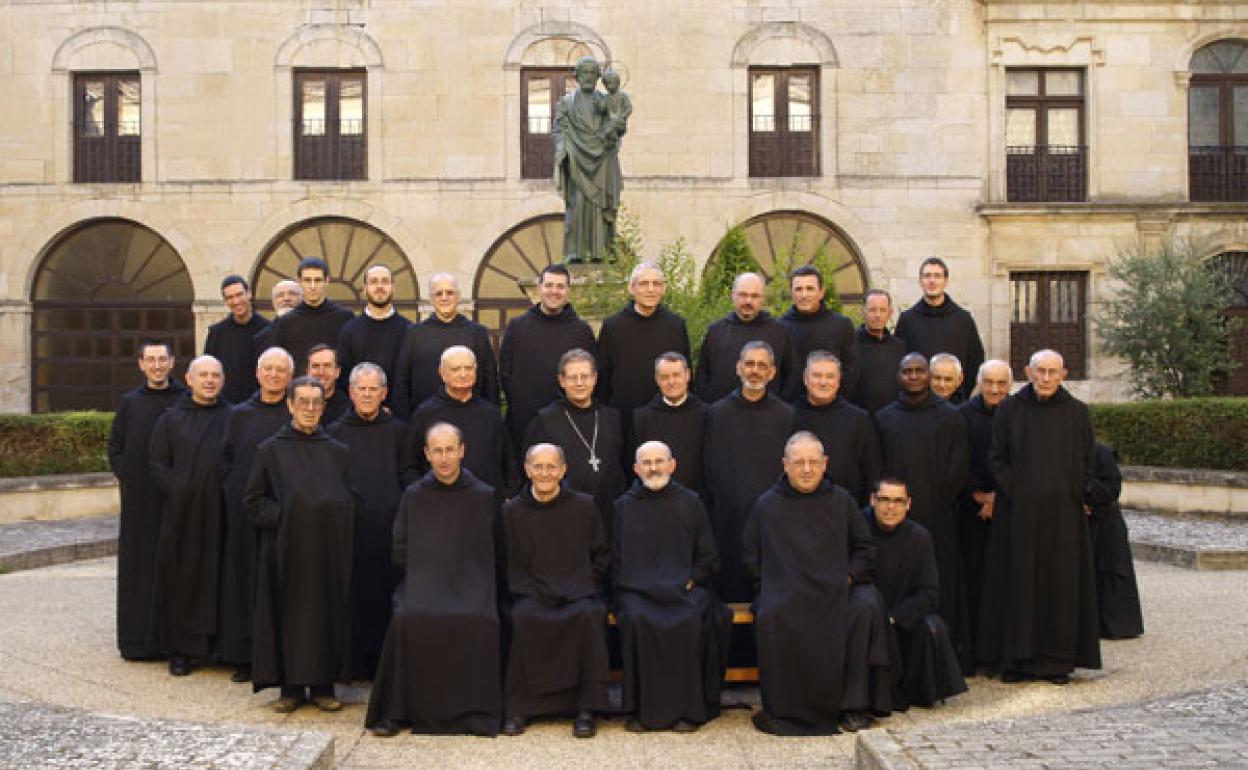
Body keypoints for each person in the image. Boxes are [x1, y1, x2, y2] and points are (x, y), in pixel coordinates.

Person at [366, 423, 503, 737]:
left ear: (462, 451)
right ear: (426, 454)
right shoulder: (414, 495)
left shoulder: (483, 495)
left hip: (470, 585)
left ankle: (473, 712)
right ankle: (398, 711)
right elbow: (400, 546)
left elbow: (489, 550)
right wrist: (427, 576)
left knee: (481, 619)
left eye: (450, 449)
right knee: (406, 618)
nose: (444, 457)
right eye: (437, 450)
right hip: (423, 583)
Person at [743, 432, 880, 736]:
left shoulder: (842, 501)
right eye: (799, 462)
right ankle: (782, 710)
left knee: (858, 612)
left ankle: (842, 706)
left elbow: (864, 548)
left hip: (832, 589)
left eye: (813, 462)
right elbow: (751, 554)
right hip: (783, 591)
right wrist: (772, 584)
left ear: (824, 464)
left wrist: (848, 577)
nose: (806, 469)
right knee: (771, 616)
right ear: (785, 465)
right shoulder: (766, 504)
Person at [978, 350, 1101, 684]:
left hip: (1063, 519)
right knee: (1018, 584)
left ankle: (1056, 661)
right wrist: (1017, 493)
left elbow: (1088, 461)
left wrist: (1071, 492)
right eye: (1040, 371)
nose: (1045, 378)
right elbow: (997, 459)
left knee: (1059, 586)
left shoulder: (1076, 413)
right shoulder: (1009, 410)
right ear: (1028, 372)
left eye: (1052, 372)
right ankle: (1017, 660)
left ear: (1063, 374)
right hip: (1017, 516)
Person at [246, 376, 356, 713]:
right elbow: (253, 501)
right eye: (303, 402)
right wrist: (285, 518)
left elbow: (352, 497)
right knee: (287, 616)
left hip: (326, 552)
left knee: (325, 615)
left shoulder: (338, 452)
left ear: (324, 407)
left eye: (316, 402)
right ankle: (290, 688)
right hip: (286, 551)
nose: (310, 408)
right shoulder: (270, 450)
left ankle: (323, 686)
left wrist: (336, 513)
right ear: (290, 405)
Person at [613, 441, 731, 733]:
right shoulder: (624, 506)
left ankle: (689, 711)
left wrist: (694, 578)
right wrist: (637, 585)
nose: (654, 468)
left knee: (690, 618)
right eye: (647, 463)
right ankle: (643, 712)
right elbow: (616, 557)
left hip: (685, 587)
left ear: (672, 465)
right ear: (636, 469)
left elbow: (708, 555)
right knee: (638, 619)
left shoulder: (691, 502)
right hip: (638, 590)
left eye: (659, 461)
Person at [501, 443, 611, 738]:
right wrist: (535, 590)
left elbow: (600, 555)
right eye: (538, 467)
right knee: (523, 617)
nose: (545, 473)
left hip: (577, 592)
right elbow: (508, 561)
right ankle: (521, 707)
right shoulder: (512, 512)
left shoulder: (584, 505)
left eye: (552, 467)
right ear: (527, 470)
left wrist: (578, 587)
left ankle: (586, 709)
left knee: (589, 615)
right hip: (532, 593)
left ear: (563, 470)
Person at [874, 353, 970, 669]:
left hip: (937, 518)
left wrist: (931, 503)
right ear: (898, 376)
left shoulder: (950, 417)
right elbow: (879, 468)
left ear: (927, 376)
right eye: (907, 371)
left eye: (919, 371)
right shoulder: (885, 418)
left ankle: (939, 660)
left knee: (936, 587)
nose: (913, 376)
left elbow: (958, 468)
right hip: (892, 523)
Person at [148, 355, 230, 676]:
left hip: (220, 513)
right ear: (189, 379)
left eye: (215, 375)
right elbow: (157, 463)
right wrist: (179, 489)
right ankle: (181, 650)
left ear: (223, 380)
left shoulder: (232, 416)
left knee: (219, 578)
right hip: (182, 514)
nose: (210, 381)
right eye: (203, 375)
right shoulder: (170, 419)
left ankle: (218, 647)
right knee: (182, 578)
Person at [217, 346, 294, 682]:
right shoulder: (239, 415)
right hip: (246, 512)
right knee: (244, 582)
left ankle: (279, 654)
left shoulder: (296, 414)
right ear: (257, 373)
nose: (274, 375)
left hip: (284, 514)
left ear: (290, 376)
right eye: (269, 369)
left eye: (281, 370)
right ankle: (244, 655)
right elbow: (225, 460)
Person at [328, 363, 407, 680]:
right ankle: (352, 664)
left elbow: (408, 478)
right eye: (361, 388)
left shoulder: (400, 432)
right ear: (351, 392)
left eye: (374, 389)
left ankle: (383, 666)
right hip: (351, 533)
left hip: (389, 530)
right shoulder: (333, 433)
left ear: (384, 393)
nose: (367, 394)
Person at [109, 339, 184, 661]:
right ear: (141, 364)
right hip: (140, 503)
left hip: (175, 501)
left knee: (174, 569)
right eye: (150, 360)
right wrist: (130, 477)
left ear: (172, 363)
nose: (156, 365)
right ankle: (136, 641)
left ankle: (174, 641)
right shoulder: (130, 403)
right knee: (139, 570)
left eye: (162, 359)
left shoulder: (184, 400)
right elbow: (116, 448)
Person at [702, 341, 794, 603]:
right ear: (738, 368)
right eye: (749, 364)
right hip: (726, 521)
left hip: (772, 523)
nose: (755, 370)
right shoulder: (717, 414)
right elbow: (709, 468)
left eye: (762, 365)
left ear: (773, 373)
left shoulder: (786, 416)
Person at [865, 478, 967, 710]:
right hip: (865, 621)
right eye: (884, 500)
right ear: (873, 500)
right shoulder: (858, 529)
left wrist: (894, 618)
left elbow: (929, 593)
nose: (891, 507)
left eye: (898, 501)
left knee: (932, 626)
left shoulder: (920, 537)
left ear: (908, 504)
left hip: (901, 622)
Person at [498, 263, 596, 451]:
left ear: (568, 291)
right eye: (549, 285)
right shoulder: (517, 327)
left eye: (560, 286)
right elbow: (505, 373)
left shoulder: (581, 331)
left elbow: (591, 376)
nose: (554, 291)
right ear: (539, 288)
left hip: (569, 423)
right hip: (524, 421)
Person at [524, 348, 626, 528]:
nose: (580, 383)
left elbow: (622, 465)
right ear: (562, 381)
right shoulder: (544, 421)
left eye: (585, 376)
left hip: (610, 512)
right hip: (562, 515)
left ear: (595, 378)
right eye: (573, 377)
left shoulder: (612, 418)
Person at [403, 346, 515, 501]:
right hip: (438, 507)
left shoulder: (491, 414)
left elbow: (509, 464)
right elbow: (409, 467)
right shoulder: (425, 414)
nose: (463, 374)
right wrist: (426, 497)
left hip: (486, 508)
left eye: (468, 368)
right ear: (442, 373)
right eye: (456, 369)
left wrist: (507, 496)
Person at [595, 262, 690, 436]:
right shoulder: (613, 327)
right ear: (631, 288)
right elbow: (603, 379)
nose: (650, 289)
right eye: (644, 284)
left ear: (663, 289)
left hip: (667, 418)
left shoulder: (676, 326)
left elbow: (684, 377)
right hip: (624, 418)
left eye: (656, 284)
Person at [958, 359, 1012, 662]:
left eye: (1001, 383)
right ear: (978, 382)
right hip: (971, 511)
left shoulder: (1019, 415)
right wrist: (979, 496)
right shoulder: (962, 416)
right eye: (989, 382)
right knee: (974, 579)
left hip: (1009, 508)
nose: (994, 389)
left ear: (1011, 384)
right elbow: (957, 461)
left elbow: (1023, 461)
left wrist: (997, 497)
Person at [393, 272, 499, 418]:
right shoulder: (414, 334)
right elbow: (401, 381)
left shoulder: (477, 333)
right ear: (430, 299)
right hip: (425, 419)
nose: (444, 298)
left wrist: (490, 418)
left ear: (458, 296)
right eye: (438, 293)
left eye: (449, 293)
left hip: (471, 416)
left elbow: (490, 383)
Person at [791, 351, 881, 506]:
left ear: (838, 381)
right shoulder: (789, 415)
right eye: (817, 376)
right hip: (795, 507)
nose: (823, 382)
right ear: (805, 379)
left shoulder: (859, 420)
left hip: (845, 511)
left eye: (830, 376)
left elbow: (872, 473)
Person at [695, 273, 799, 404]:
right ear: (733, 296)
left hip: (767, 415)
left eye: (754, 296)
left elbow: (791, 376)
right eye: (743, 295)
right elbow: (702, 375)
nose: (748, 301)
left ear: (763, 299)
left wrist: (778, 407)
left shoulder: (779, 332)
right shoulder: (716, 331)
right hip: (722, 415)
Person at [894, 258, 984, 402]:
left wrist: (959, 392)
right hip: (917, 402)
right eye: (927, 276)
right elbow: (899, 362)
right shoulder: (907, 320)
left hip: (955, 403)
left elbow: (975, 359)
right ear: (920, 281)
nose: (932, 281)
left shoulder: (963, 319)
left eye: (937, 276)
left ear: (946, 281)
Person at [554, 56, 613, 263]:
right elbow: (559, 130)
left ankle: (599, 253)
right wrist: (562, 150)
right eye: (584, 73)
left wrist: (612, 131)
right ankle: (575, 253)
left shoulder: (605, 102)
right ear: (577, 76)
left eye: (592, 73)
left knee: (598, 207)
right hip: (576, 160)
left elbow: (615, 127)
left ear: (598, 77)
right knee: (577, 205)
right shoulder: (565, 104)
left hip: (601, 161)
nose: (588, 77)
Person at [1085, 442, 1144, 640]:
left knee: (1112, 570)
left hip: (1105, 521)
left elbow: (1112, 489)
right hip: (1081, 522)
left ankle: (1116, 625)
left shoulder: (1101, 453)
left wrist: (1086, 491)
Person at [631, 352, 709, 498]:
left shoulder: (707, 414)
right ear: (657, 379)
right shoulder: (642, 418)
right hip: (654, 500)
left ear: (687, 375)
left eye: (676, 375)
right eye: (665, 377)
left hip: (699, 499)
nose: (671, 382)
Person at [336, 265, 412, 408]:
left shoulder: (409, 330)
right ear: (365, 289)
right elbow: (344, 378)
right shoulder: (349, 331)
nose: (380, 286)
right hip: (358, 415)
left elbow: (409, 378)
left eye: (385, 281)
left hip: (397, 418)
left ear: (392, 287)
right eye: (374, 281)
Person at [779, 265, 859, 398]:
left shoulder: (841, 325)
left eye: (810, 289)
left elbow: (851, 370)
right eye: (798, 289)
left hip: (832, 406)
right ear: (792, 293)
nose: (804, 295)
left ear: (821, 292)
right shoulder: (780, 327)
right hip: (791, 408)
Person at [268, 257, 354, 374]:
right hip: (298, 390)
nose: (312, 286)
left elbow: (350, 360)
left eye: (318, 280)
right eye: (307, 280)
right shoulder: (286, 322)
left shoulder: (344, 317)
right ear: (299, 282)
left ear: (327, 281)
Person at [204, 275, 269, 404]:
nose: (236, 301)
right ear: (225, 301)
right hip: (225, 406)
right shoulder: (217, 333)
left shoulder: (268, 330)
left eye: (239, 295)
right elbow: (208, 369)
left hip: (258, 406)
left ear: (249, 294)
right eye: (230, 297)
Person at [850, 289, 908, 414]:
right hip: (860, 418)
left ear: (890, 313)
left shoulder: (899, 347)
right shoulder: (850, 344)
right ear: (863, 312)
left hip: (892, 418)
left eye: (882, 310)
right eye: (872, 310)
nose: (877, 315)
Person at [251, 279, 302, 353]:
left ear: (302, 299)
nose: (286, 299)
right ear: (273, 302)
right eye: (280, 295)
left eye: (292, 294)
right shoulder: (261, 339)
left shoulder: (312, 330)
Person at [305, 343, 349, 425]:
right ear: (307, 372)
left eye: (327, 366)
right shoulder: (296, 406)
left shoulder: (348, 410)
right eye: (315, 366)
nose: (321, 372)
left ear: (337, 372)